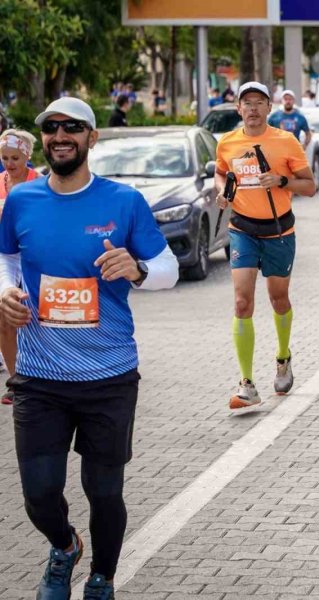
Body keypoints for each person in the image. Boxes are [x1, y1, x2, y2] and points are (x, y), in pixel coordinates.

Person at [0, 97, 178, 599]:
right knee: (39, 493)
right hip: (40, 375)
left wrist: (138, 269)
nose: (60, 136)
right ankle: (64, 546)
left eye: (72, 128)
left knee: (104, 491)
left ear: (91, 138)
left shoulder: (124, 202)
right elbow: (6, 259)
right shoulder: (22, 199)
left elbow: (168, 268)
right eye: (51, 127)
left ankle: (102, 577)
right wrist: (6, 290)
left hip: (109, 375)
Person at [215, 82, 316, 409]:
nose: (253, 108)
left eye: (259, 102)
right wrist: (222, 191)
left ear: (269, 108)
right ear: (238, 108)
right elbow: (221, 173)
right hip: (242, 229)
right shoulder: (228, 142)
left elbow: (310, 186)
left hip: (278, 230)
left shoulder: (286, 141)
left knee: (278, 298)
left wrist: (282, 180)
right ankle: (246, 383)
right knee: (242, 302)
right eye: (247, 103)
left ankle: (283, 357)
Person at [0, 129, 41, 405]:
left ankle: (42, 377)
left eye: (15, 157)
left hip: (32, 258)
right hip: (4, 259)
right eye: (4, 157)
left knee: (33, 320)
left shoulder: (40, 184)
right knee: (4, 320)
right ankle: (17, 382)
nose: (9, 163)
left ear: (27, 155)